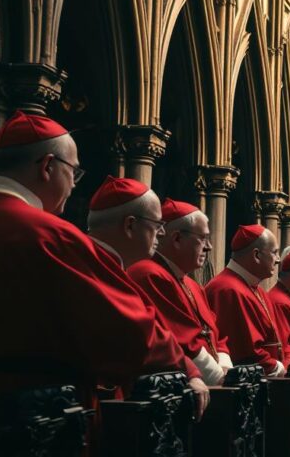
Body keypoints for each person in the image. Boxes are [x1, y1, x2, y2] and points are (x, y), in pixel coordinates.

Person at [0, 112, 200, 416]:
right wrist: (186, 369)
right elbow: (130, 336)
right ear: (47, 166)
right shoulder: (48, 235)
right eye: (73, 172)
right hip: (36, 423)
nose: (72, 186)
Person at [85, 176, 210, 415]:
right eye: (157, 224)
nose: (161, 233)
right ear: (130, 225)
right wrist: (192, 373)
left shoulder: (115, 267)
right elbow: (143, 337)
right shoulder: (94, 263)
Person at [127, 199, 232, 385]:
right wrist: (218, 378)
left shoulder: (194, 286)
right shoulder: (150, 274)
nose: (209, 247)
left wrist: (224, 364)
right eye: (203, 239)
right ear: (176, 239)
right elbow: (181, 340)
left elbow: (216, 334)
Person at [206, 224, 290, 376]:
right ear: (256, 255)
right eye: (274, 253)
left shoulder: (257, 290)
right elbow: (247, 352)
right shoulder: (227, 289)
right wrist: (277, 369)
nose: (278, 260)